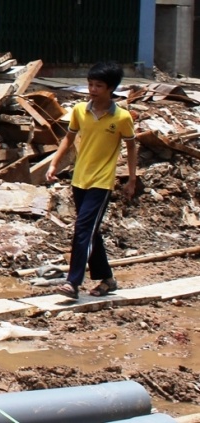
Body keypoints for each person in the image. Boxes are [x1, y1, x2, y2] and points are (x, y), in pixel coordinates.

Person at [45, 61, 137, 300]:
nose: (92, 89)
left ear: (111, 88)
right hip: (80, 178)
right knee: (90, 231)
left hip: (102, 182)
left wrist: (131, 180)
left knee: (83, 229)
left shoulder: (123, 117)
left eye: (98, 85)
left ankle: (72, 282)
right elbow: (69, 137)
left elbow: (131, 147)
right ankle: (107, 279)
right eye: (90, 84)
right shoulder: (79, 111)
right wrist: (55, 163)